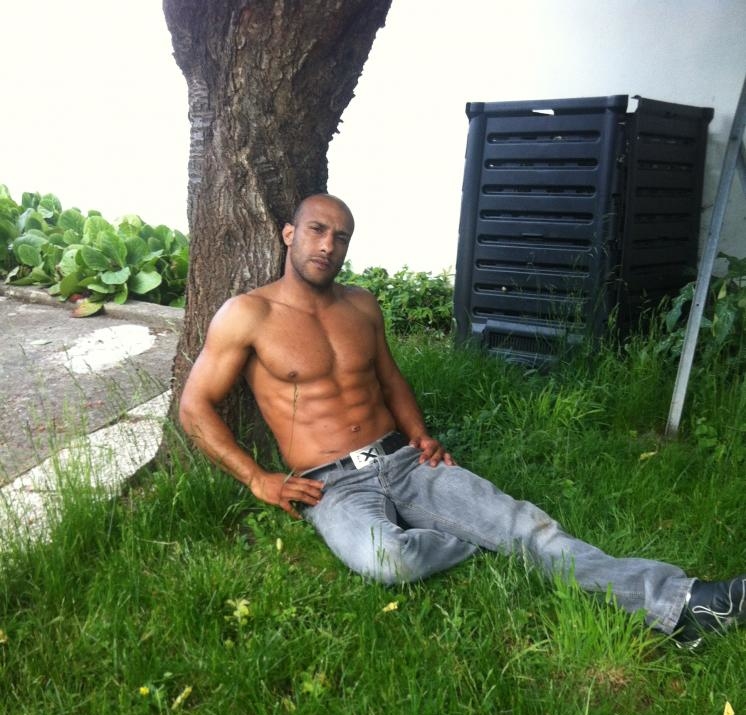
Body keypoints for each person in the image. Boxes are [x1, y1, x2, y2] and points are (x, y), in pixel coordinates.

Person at [179, 193, 746, 649]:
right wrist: (257, 478)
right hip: (330, 484)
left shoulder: (361, 305)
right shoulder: (247, 314)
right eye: (316, 230)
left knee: (527, 527)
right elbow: (194, 406)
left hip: (402, 459)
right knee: (389, 559)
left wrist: (420, 435)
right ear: (289, 234)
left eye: (341, 236)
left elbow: (390, 380)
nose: (328, 245)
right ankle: (479, 537)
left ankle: (686, 602)